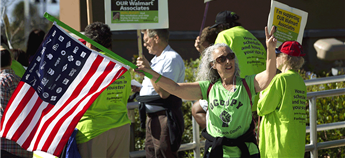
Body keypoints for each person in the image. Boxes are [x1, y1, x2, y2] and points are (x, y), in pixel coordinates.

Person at [136, 26, 277, 157]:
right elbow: (175, 88)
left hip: (245, 152)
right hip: (218, 152)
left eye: (231, 56)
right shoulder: (208, 87)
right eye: (221, 59)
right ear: (213, 65)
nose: (228, 61)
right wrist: (150, 73)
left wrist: (270, 49)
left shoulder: (247, 84)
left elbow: (269, 75)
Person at [75, 22, 131, 158]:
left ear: (88, 43)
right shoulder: (123, 66)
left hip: (93, 129)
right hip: (121, 126)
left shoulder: (87, 66)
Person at [132, 29, 185, 158]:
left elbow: (164, 92)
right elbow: (156, 83)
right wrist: (142, 88)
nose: (144, 45)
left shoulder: (171, 58)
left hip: (164, 115)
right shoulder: (158, 59)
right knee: (152, 154)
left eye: (146, 41)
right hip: (153, 116)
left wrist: (148, 70)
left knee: (163, 153)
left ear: (156, 38)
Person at [257, 41, 307, 157]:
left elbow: (262, 108)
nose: (276, 58)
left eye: (277, 55)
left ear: (285, 58)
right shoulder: (300, 81)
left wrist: (262, 94)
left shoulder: (281, 79)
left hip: (278, 145)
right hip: (294, 144)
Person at [0, 44, 33, 158]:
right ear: (10, 62)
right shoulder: (23, 82)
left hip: (4, 145)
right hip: (23, 146)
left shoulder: (1, 81)